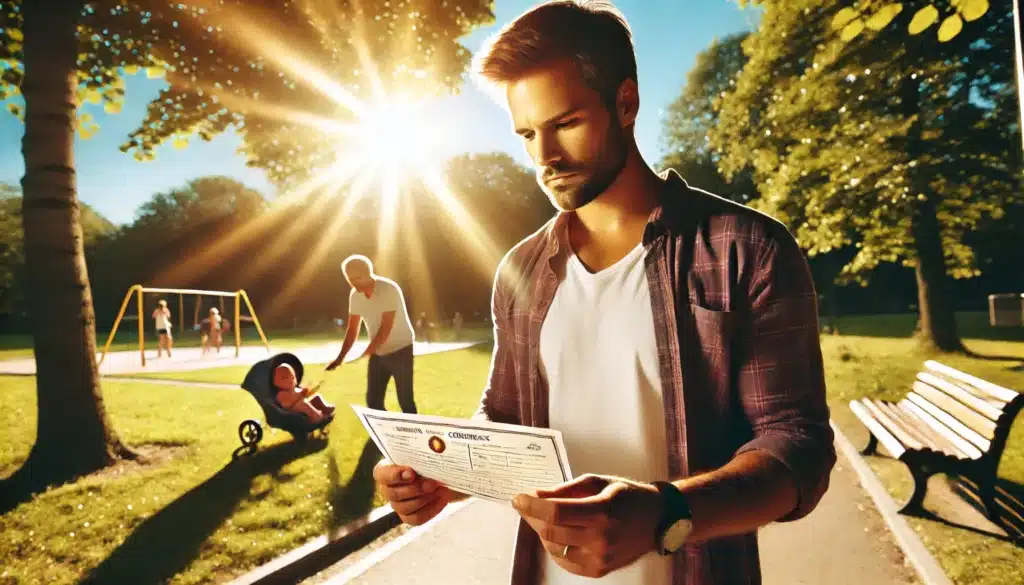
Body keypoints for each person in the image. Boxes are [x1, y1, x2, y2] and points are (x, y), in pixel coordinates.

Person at [370, 3, 836, 585]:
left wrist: (667, 513)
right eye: (527, 134)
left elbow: (798, 445)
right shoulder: (520, 269)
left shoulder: (748, 249)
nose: (544, 157)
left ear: (626, 103)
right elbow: (508, 415)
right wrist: (443, 473)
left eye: (564, 123)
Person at [326, 254, 418, 414]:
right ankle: (386, 433)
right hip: (378, 352)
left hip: (401, 348)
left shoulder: (388, 289)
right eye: (350, 279)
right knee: (373, 401)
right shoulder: (355, 295)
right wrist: (340, 358)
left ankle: (415, 435)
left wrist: (368, 351)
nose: (354, 283)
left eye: (358, 278)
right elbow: (352, 329)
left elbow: (386, 327)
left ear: (369, 272)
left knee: (405, 399)